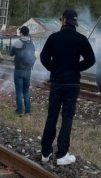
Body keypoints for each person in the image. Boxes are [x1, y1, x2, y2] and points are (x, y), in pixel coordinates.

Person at [39, 9, 95, 166]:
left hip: (57, 82)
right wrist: (76, 68)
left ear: (63, 20)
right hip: (72, 84)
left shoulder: (53, 37)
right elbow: (91, 60)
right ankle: (62, 154)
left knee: (52, 116)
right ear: (74, 22)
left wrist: (53, 68)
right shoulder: (81, 39)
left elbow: (43, 57)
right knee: (67, 118)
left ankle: (45, 152)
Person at [10, 26, 35, 116]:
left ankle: (19, 111)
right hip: (28, 70)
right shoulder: (31, 43)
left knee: (19, 91)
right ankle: (28, 111)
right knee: (26, 91)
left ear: (21, 33)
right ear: (28, 33)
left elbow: (11, 53)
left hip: (19, 70)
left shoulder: (18, 42)